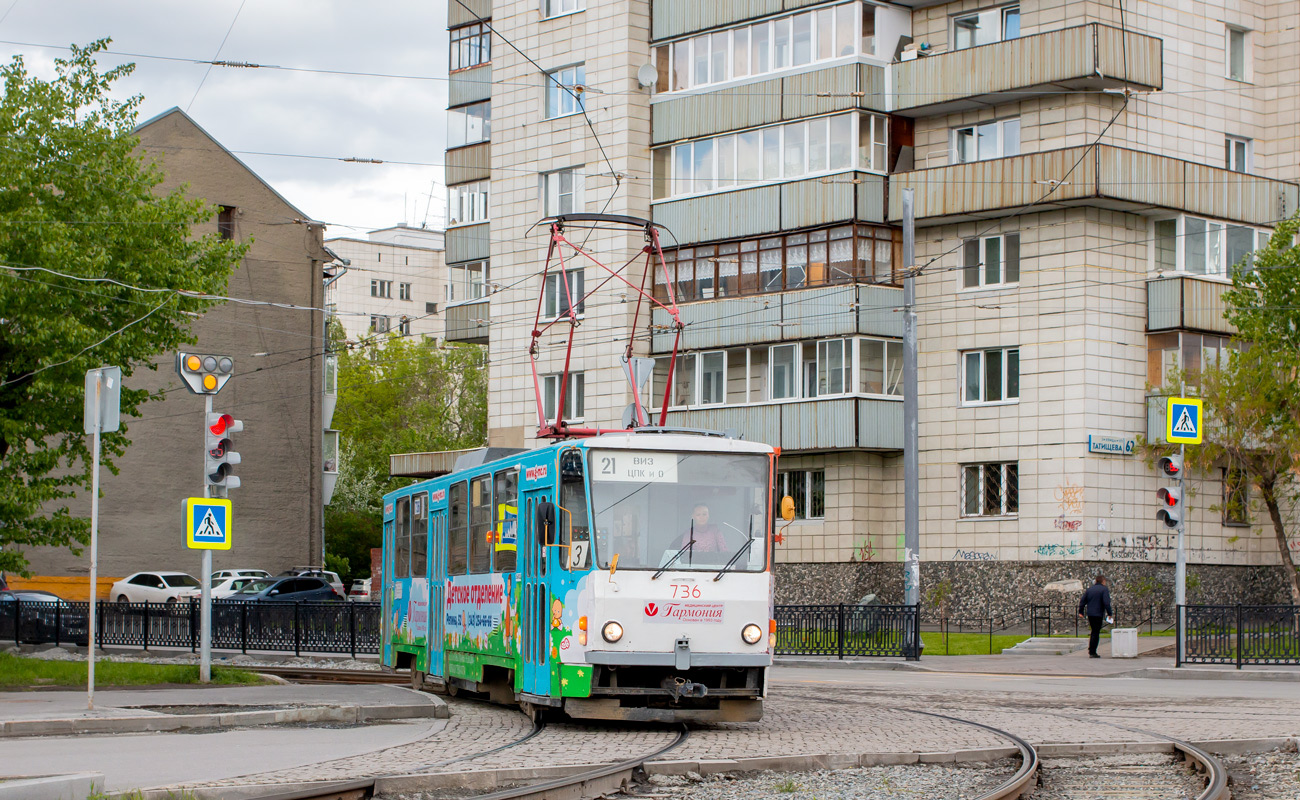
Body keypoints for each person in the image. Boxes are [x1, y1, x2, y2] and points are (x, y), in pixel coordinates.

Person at [1078, 574, 1113, 658]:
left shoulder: (1090, 589)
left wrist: (1081, 611)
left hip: (1090, 613)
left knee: (1093, 631)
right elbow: (1106, 602)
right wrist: (1109, 613)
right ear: (1103, 581)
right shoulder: (1104, 589)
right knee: (1096, 632)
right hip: (1098, 613)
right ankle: (1092, 651)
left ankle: (1091, 650)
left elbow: (1083, 601)